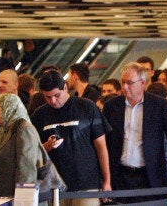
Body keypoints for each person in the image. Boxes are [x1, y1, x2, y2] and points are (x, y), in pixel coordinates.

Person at [103, 62, 167, 202]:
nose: (125, 87)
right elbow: (104, 142)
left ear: (142, 83)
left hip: (149, 175)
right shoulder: (112, 107)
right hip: (120, 175)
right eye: (123, 82)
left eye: (129, 83)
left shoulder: (158, 105)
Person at [31, 70, 111, 205]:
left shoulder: (87, 106)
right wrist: (48, 146)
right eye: (47, 97)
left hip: (87, 183)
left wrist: (107, 180)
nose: (53, 101)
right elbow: (34, 151)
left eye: (56, 95)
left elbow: (101, 146)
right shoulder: (39, 115)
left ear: (65, 88)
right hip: (56, 186)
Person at [0, 93, 43, 197]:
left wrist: (23, 199)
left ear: (8, 108)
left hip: (18, 197)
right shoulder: (3, 132)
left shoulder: (24, 130)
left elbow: (27, 170)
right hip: (5, 195)